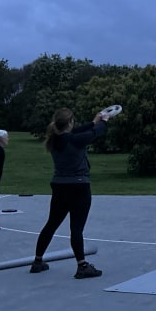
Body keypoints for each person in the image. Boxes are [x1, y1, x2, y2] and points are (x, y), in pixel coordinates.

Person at [30, 108, 110, 279]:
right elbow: (96, 133)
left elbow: (76, 131)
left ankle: (37, 261)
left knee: (51, 224)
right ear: (70, 122)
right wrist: (104, 121)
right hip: (79, 187)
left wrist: (94, 121)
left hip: (59, 186)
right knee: (76, 229)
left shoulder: (54, 140)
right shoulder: (75, 140)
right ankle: (82, 266)